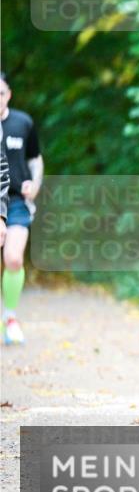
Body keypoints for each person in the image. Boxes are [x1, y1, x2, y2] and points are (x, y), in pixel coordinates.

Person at [0, 71, 43, 345]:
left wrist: (35, 183)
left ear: (9, 95)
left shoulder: (22, 123)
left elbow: (35, 159)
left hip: (16, 201)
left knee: (14, 258)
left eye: (0, 94)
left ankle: (11, 318)